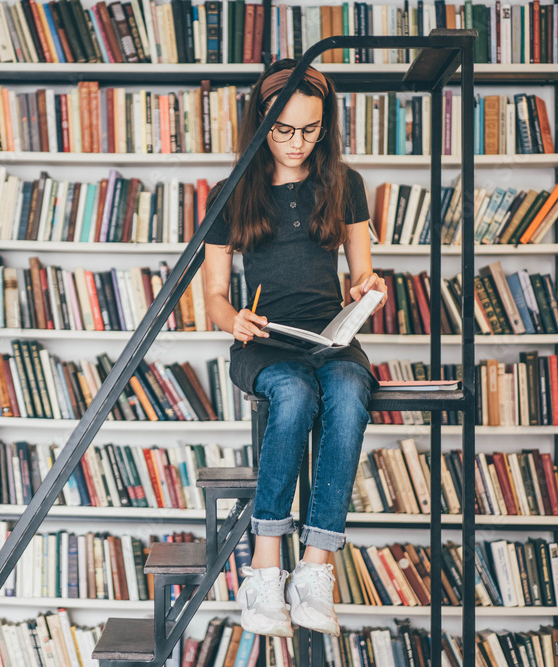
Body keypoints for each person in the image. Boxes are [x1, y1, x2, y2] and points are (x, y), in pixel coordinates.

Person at [202, 60, 387, 638]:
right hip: (265, 345)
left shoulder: (344, 184)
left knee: (352, 387)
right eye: (283, 129)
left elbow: (363, 274)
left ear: (324, 129)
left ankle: (315, 568)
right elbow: (212, 297)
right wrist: (237, 321)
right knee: (293, 393)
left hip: (328, 336)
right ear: (261, 123)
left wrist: (366, 289)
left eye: (309, 130)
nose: (295, 142)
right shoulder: (231, 191)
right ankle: (263, 570)